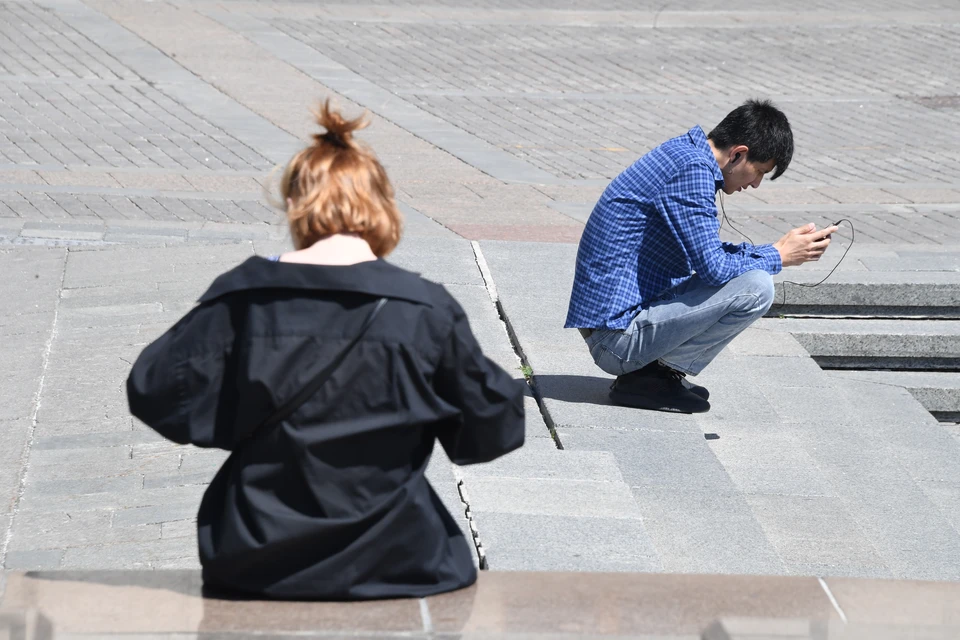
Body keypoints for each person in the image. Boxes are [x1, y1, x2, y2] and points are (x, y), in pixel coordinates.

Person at [126, 101, 525, 600]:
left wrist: (237, 420)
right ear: (381, 207)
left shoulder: (241, 299)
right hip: (400, 560)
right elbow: (491, 431)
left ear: (296, 206)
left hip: (255, 554)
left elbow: (154, 390)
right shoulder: (423, 309)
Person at [565, 99, 836, 414]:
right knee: (756, 287)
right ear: (738, 153)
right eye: (759, 172)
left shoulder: (686, 156)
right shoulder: (692, 170)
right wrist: (777, 255)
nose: (755, 184)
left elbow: (709, 255)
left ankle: (654, 374)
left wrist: (773, 250)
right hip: (615, 343)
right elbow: (715, 270)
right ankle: (651, 376)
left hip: (617, 326)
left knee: (750, 277)